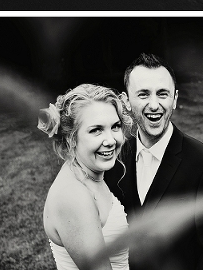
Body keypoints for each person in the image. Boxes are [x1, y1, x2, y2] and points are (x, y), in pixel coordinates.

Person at [105, 53, 203, 270]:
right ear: (126, 101)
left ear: (175, 99)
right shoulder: (114, 158)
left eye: (162, 94)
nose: (154, 105)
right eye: (143, 94)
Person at [39, 83, 133, 270]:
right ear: (71, 138)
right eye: (96, 130)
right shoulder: (74, 198)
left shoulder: (89, 175)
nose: (111, 140)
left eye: (115, 126)